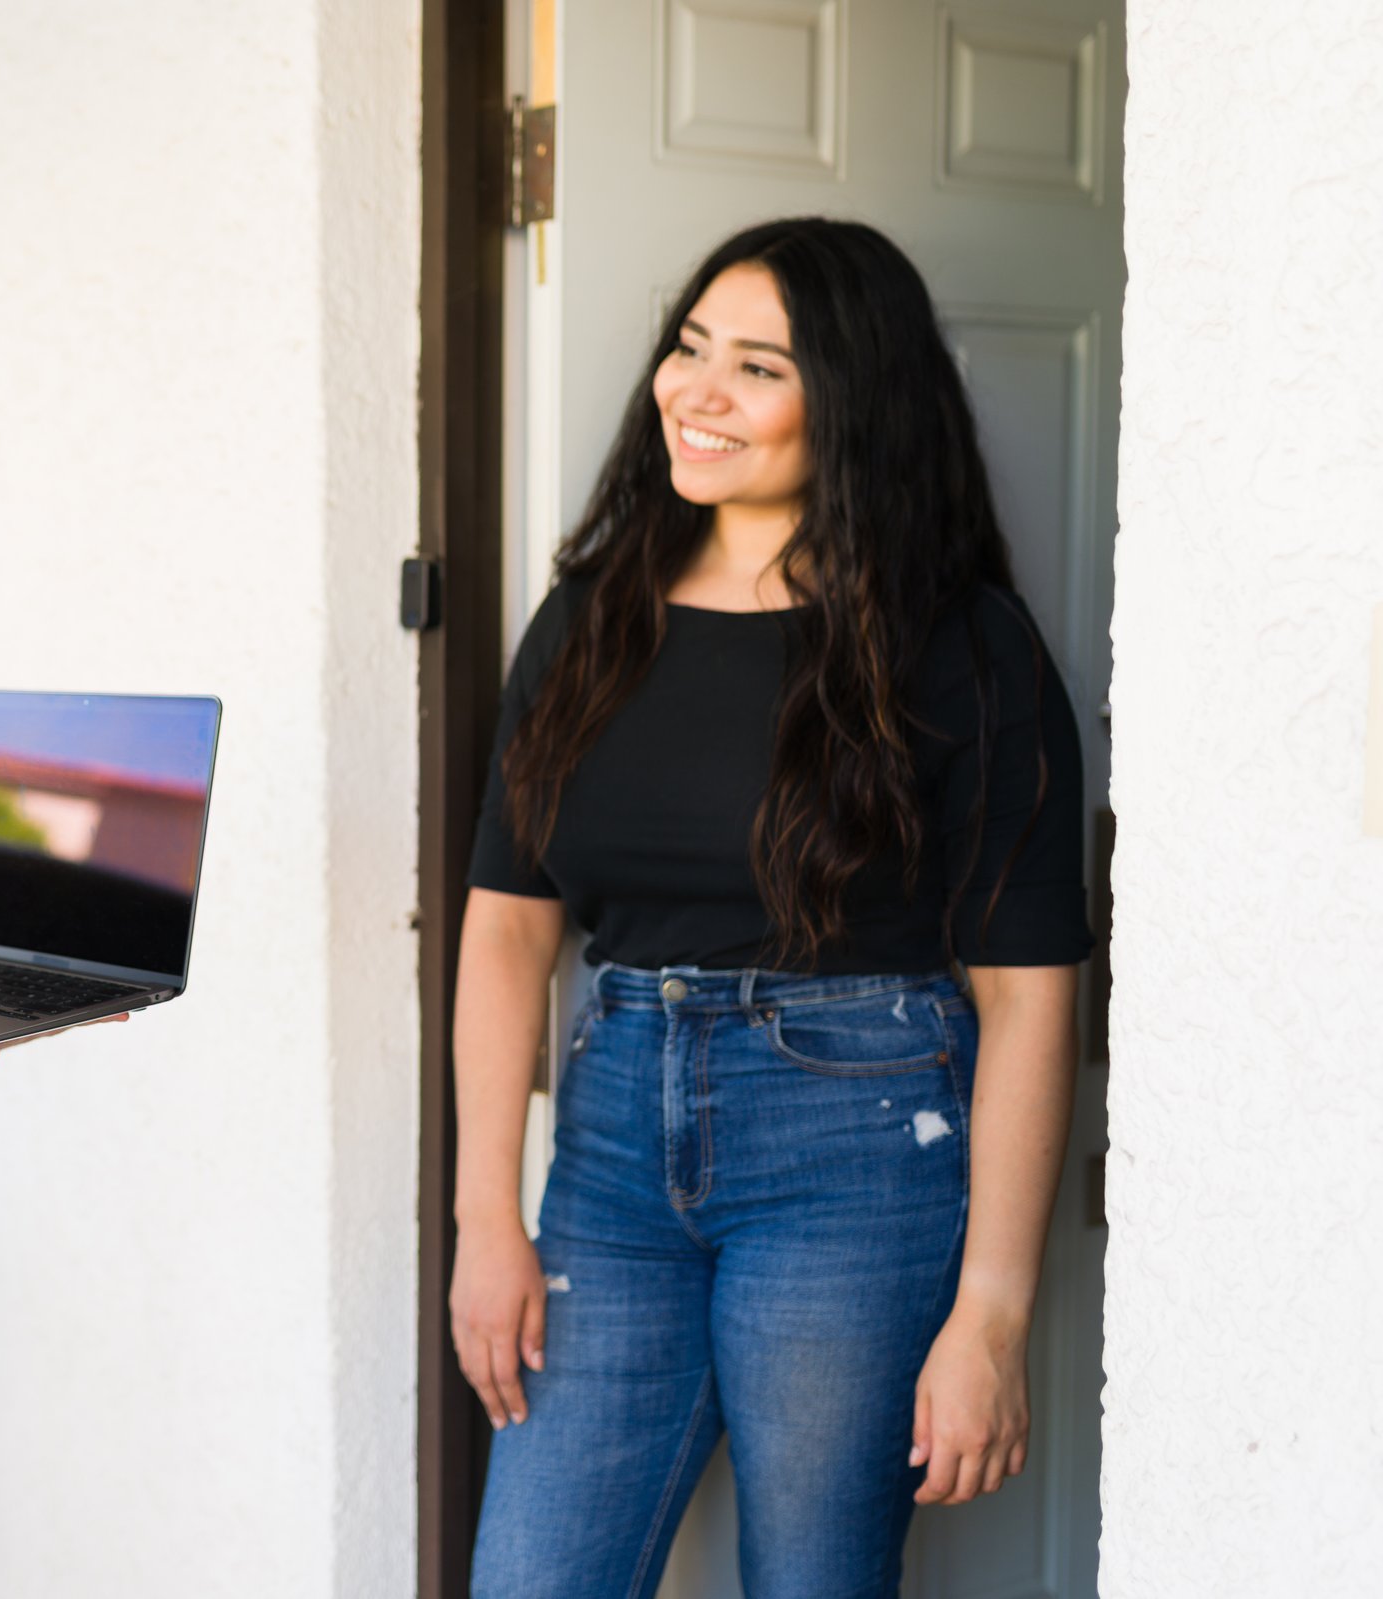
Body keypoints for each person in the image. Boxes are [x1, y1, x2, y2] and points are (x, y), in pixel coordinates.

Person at [452, 217, 1091, 1599]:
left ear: (851, 405)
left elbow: (1028, 992)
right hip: (614, 1141)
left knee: (814, 1581)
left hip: (856, 1148)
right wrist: (483, 1218)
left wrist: (992, 1313)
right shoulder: (590, 620)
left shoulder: (960, 645)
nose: (698, 390)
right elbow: (509, 925)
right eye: (691, 350)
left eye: (758, 367)